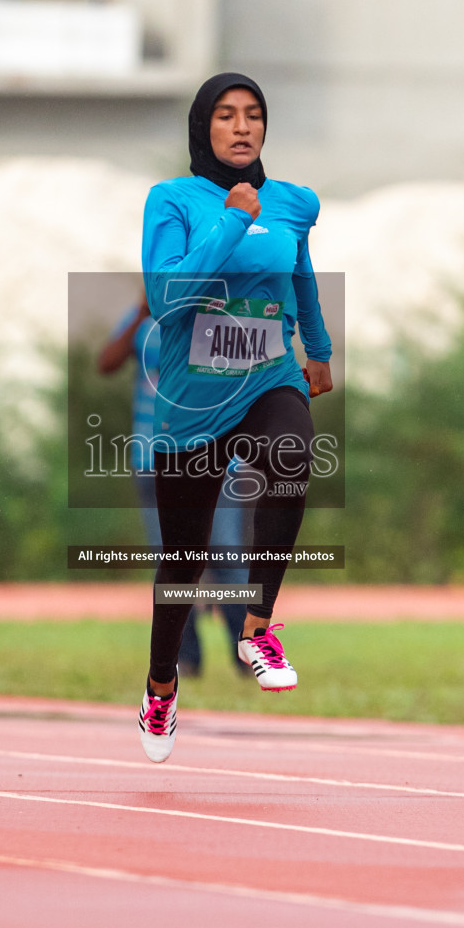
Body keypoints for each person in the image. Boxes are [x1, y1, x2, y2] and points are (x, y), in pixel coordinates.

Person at [137, 72, 334, 763]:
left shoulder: (294, 203)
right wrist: (230, 217)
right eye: (227, 116)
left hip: (268, 375)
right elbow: (168, 299)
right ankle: (162, 684)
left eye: (254, 115)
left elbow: (300, 275)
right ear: (204, 128)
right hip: (194, 398)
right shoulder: (172, 200)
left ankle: (257, 626)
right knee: (183, 564)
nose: (243, 127)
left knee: (293, 452)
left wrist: (318, 348)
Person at [98, 296, 252, 677]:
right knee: (172, 561)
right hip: (153, 459)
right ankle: (186, 658)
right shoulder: (144, 320)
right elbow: (106, 364)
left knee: (226, 557)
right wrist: (138, 313)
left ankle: (247, 653)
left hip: (213, 456)